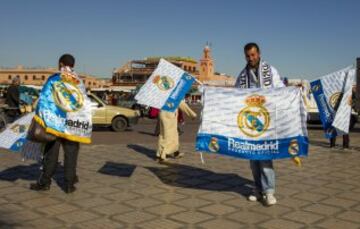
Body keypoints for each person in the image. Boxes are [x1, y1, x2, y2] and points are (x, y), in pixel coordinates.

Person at [30, 54, 89, 194]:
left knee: (51, 154)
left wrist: (40, 118)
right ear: (73, 65)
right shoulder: (79, 82)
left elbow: (44, 100)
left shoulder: (54, 79)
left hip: (55, 124)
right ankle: (69, 185)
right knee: (71, 154)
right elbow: (84, 105)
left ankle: (45, 183)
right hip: (73, 125)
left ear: (60, 63)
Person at [235, 43, 285, 206]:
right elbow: (235, 96)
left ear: (259, 54)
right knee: (253, 159)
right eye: (248, 56)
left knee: (265, 158)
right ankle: (257, 189)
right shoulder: (242, 75)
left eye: (253, 55)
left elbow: (281, 90)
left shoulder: (271, 71)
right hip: (250, 123)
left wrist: (293, 91)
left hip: (267, 121)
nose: (251, 58)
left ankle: (269, 191)